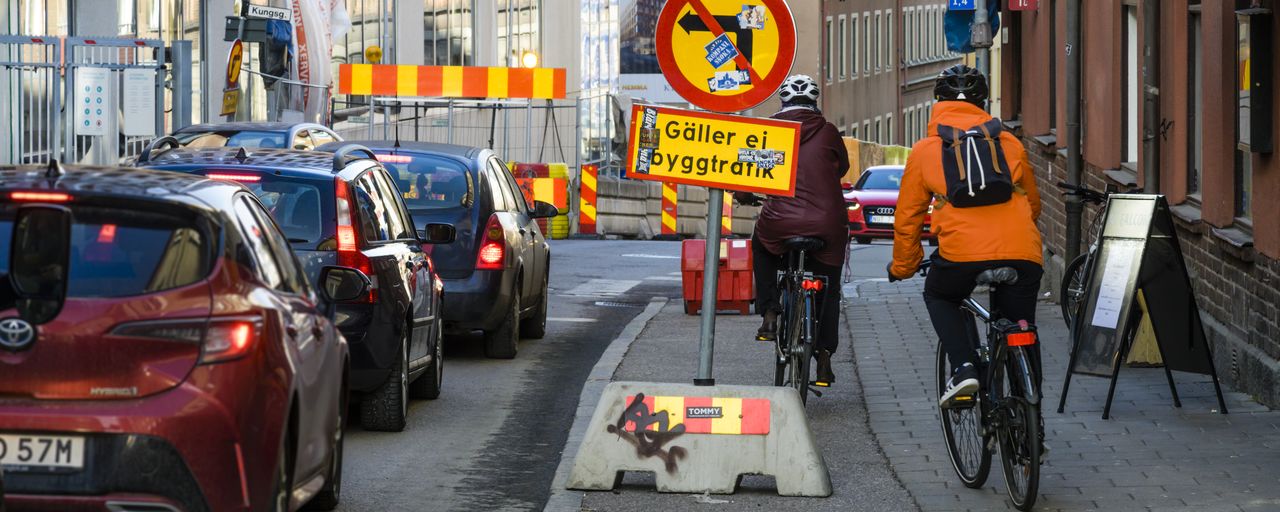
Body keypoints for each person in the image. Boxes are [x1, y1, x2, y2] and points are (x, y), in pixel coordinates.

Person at [887, 65, 1044, 407]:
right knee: (1022, 327)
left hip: (962, 256)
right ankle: (1031, 415)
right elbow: (1033, 204)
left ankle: (963, 369)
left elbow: (908, 217)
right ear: (982, 102)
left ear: (938, 101)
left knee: (940, 295)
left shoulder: (926, 150)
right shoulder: (1009, 142)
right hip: (1023, 253)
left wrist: (904, 266)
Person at [735, 74, 849, 387]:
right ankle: (824, 355)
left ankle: (770, 314)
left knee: (761, 246)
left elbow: (748, 177)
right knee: (828, 285)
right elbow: (842, 169)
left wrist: (744, 197)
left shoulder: (770, 131)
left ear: (783, 102)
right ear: (814, 103)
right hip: (828, 224)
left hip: (780, 221)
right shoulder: (828, 131)